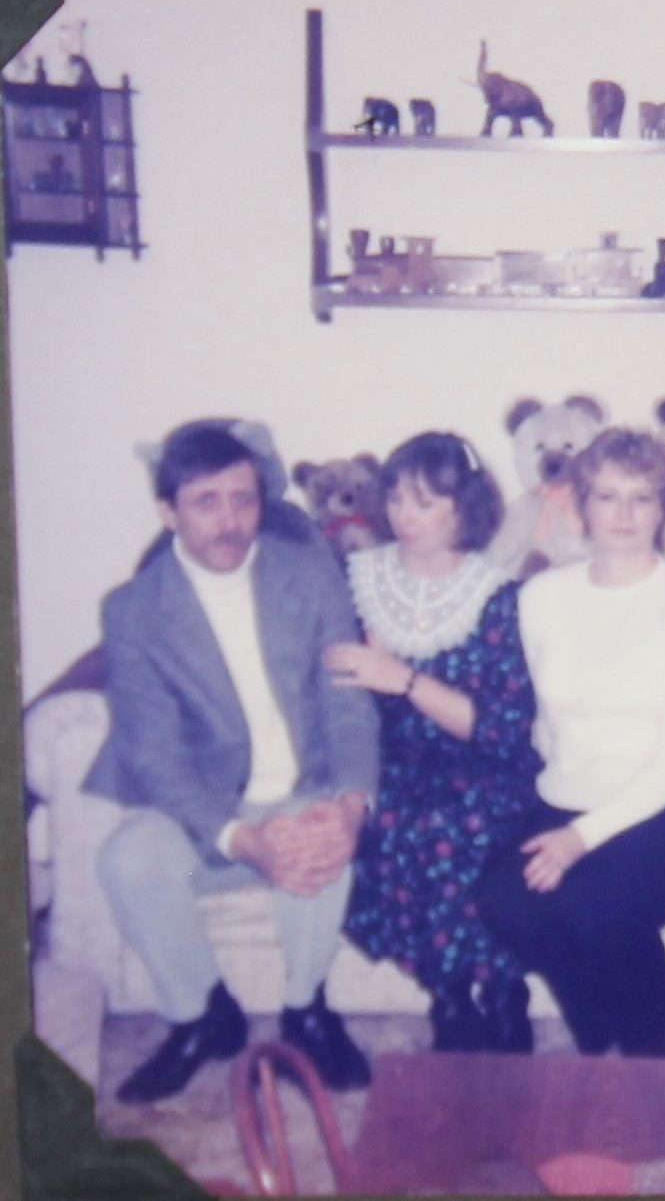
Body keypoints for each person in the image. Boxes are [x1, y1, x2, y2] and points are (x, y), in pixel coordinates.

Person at [86, 419, 378, 1102]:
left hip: (302, 786)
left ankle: (305, 1010)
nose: (230, 521)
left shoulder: (309, 574)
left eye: (243, 500)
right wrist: (243, 838)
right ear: (168, 511)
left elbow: (347, 701)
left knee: (321, 833)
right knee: (127, 857)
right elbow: (154, 755)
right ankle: (199, 1017)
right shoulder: (134, 611)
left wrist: (351, 800)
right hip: (204, 806)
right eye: (206, 502)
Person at [477, 427, 665, 1059]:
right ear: (581, 505)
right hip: (570, 797)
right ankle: (602, 1037)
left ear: (663, 508)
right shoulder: (540, 598)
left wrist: (579, 839)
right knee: (504, 896)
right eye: (608, 496)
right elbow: (542, 723)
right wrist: (558, 815)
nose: (623, 514)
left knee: (593, 898)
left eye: (641, 498)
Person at [323, 432, 541, 1053]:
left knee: (464, 823)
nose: (402, 515)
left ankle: (502, 991)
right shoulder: (357, 577)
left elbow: (501, 728)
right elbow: (334, 687)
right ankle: (448, 996)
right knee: (390, 818)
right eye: (395, 497)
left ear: (463, 507)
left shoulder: (497, 595)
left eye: (424, 502)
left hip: (483, 763)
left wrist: (404, 680)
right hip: (392, 763)